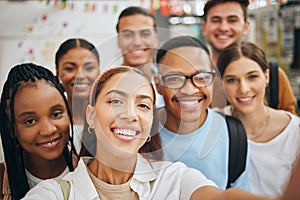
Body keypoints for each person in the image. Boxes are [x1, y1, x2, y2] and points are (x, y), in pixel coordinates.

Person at [22, 66, 275, 200]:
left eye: (143, 105)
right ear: (90, 115)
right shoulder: (55, 193)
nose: (130, 114)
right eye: (115, 101)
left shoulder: (173, 180)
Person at [154, 35, 249, 190]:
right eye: (175, 79)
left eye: (202, 77)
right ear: (158, 84)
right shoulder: (140, 132)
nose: (189, 89)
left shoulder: (233, 133)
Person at [217, 41, 300, 197]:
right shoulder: (211, 125)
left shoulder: (294, 131)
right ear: (221, 84)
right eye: (232, 80)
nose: (243, 89)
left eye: (252, 77)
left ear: (266, 76)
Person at [201, 0, 297, 114]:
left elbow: (291, 125)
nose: (224, 27)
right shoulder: (192, 78)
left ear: (246, 26)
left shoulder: (273, 76)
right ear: (204, 27)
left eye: (232, 20)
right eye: (216, 20)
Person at [0, 63, 78, 200]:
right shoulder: (2, 178)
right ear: (11, 128)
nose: (48, 130)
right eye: (30, 121)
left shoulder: (90, 171)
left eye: (56, 114)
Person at [55, 38, 100, 153]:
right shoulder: (51, 122)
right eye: (70, 68)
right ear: (57, 72)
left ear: (98, 71)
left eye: (89, 68)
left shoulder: (109, 118)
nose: (80, 75)